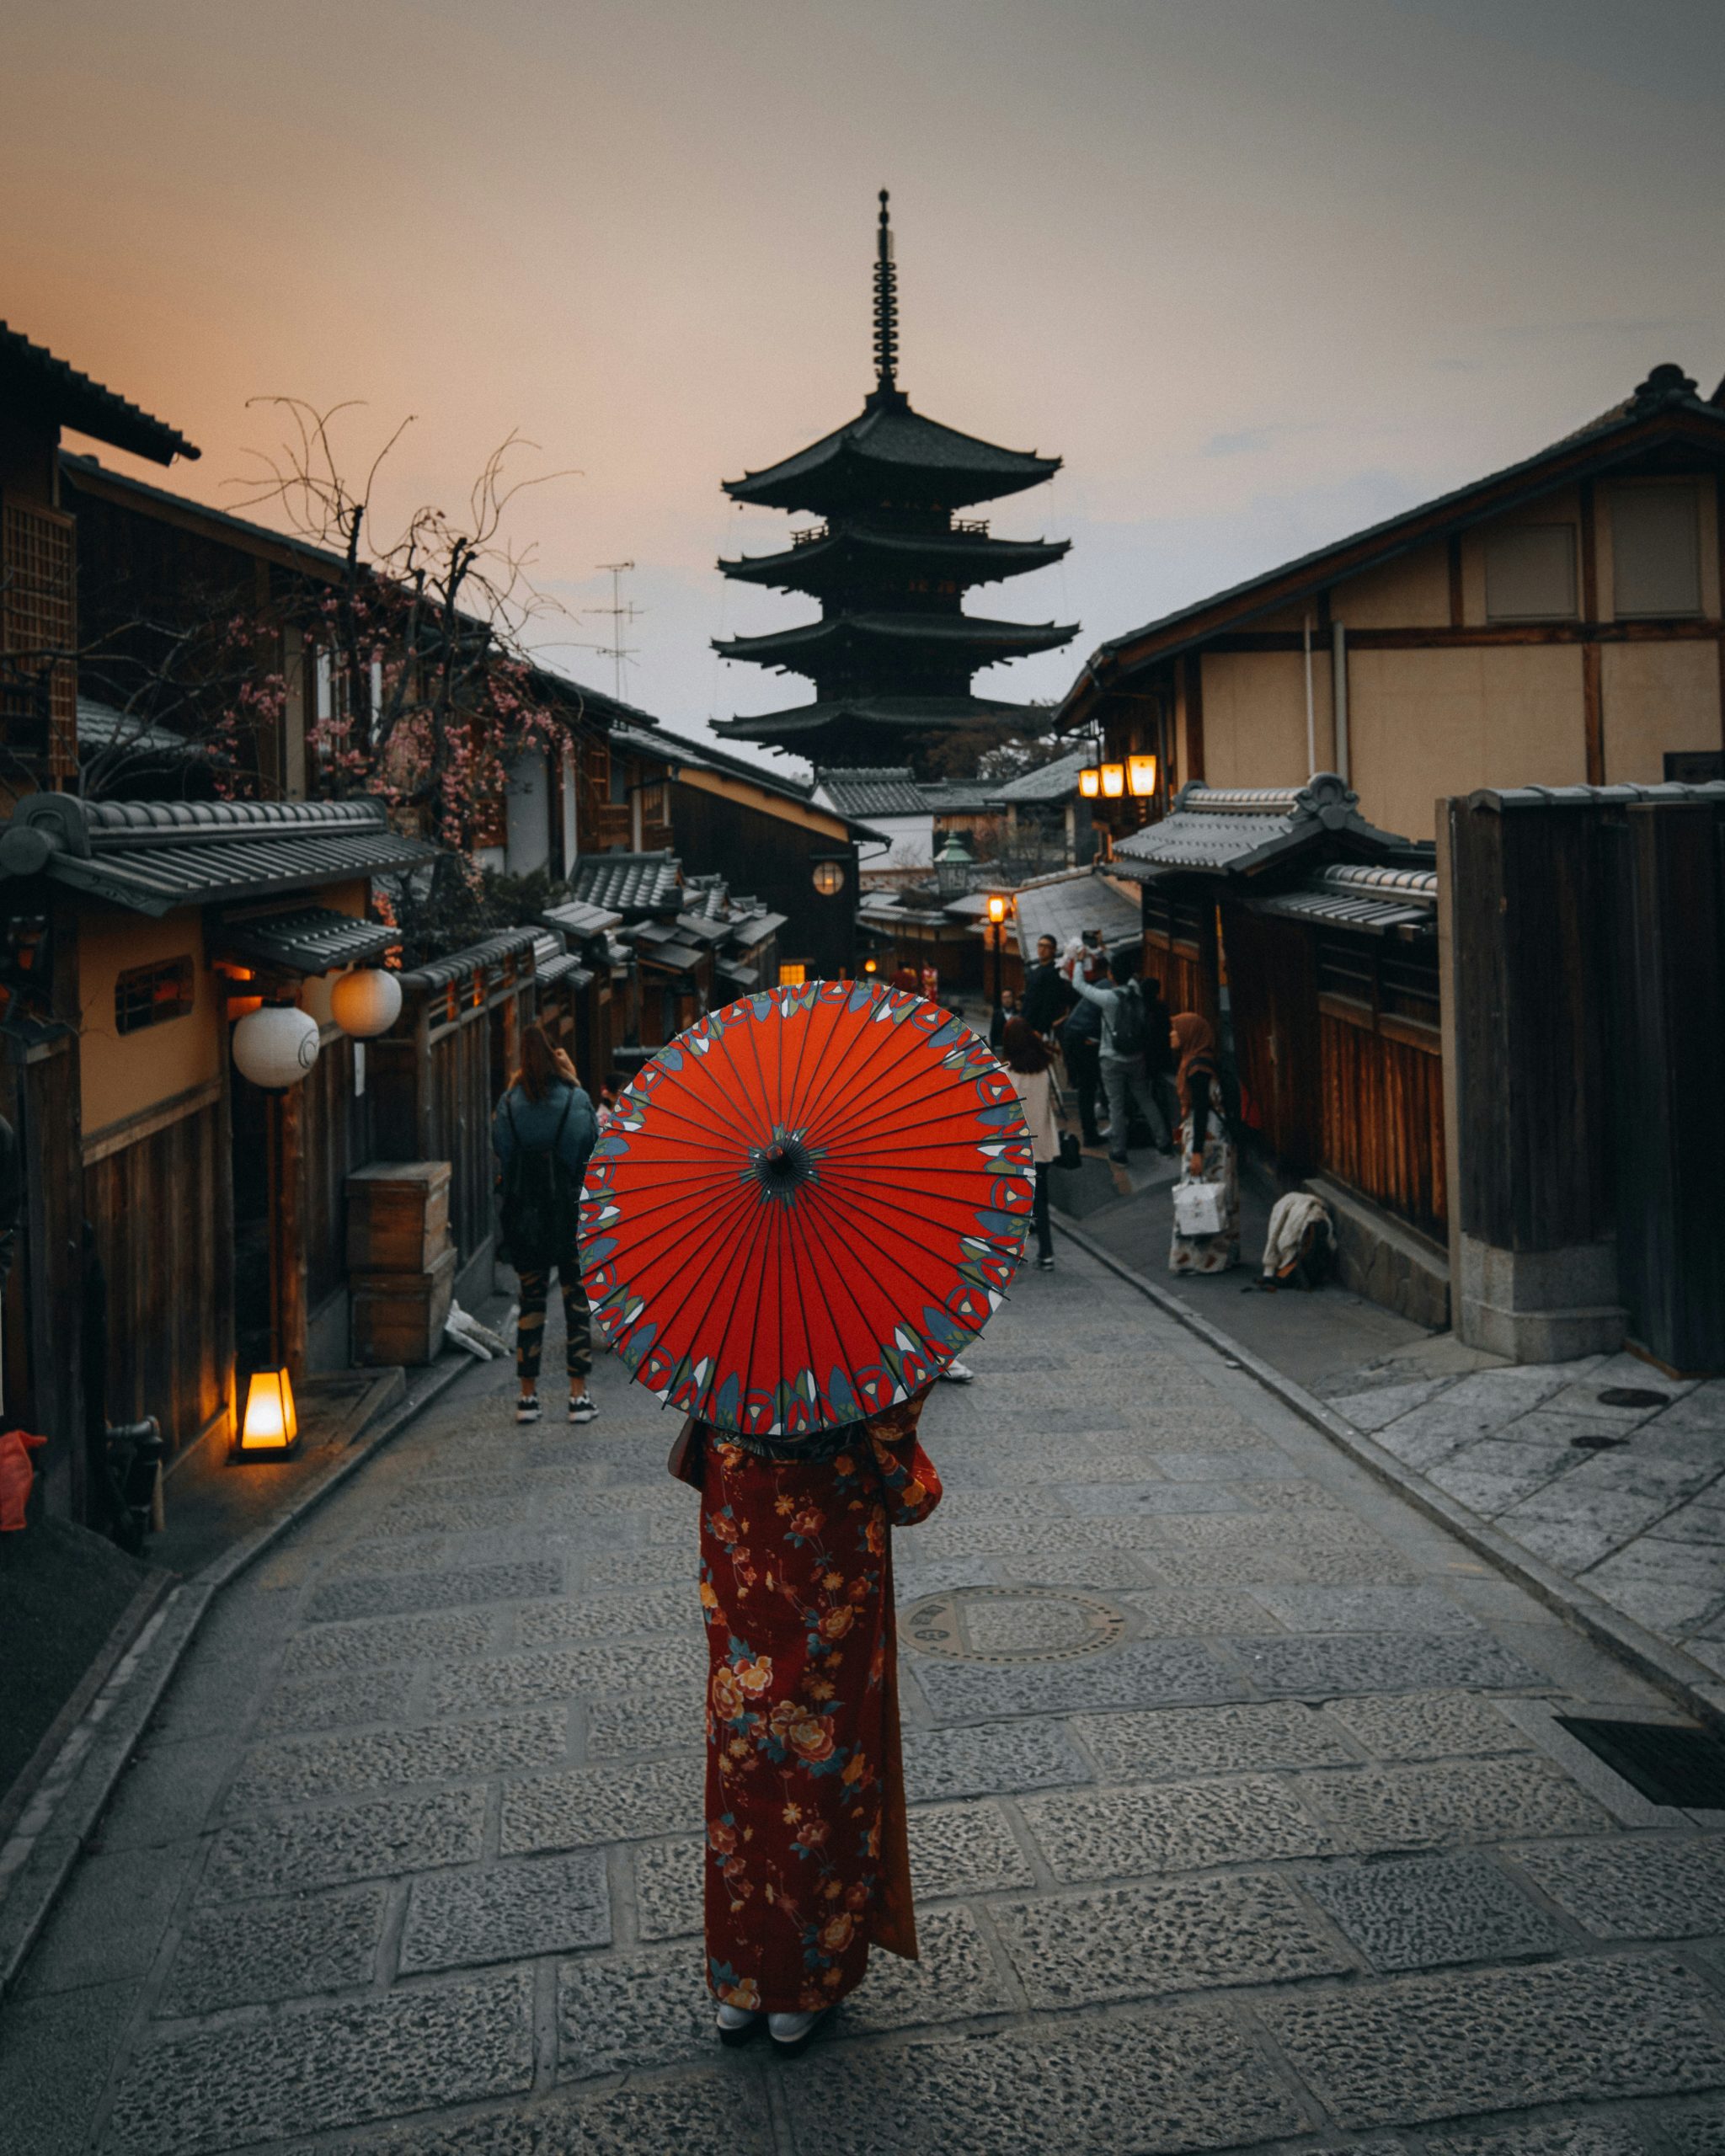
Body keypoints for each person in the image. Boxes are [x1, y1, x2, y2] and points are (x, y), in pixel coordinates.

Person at [688, 1385, 943, 2056]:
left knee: (744, 1732)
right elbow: (895, 1432)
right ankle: (802, 1985)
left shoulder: (716, 1292)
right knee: (825, 1740)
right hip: (829, 1514)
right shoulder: (854, 1299)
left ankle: (741, 1982)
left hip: (739, 1503)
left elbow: (695, 1404)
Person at [491, 1023, 599, 1424]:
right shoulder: (574, 1098)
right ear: (557, 1056)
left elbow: (501, 1148)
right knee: (576, 1302)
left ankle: (527, 1397)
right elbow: (590, 1145)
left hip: (526, 1216)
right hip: (568, 1213)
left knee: (531, 1303)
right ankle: (578, 1396)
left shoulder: (509, 1103)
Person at [1064, 947, 1172, 1162]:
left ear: (1111, 975)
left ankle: (1119, 1151)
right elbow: (1126, 973)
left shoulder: (1108, 998)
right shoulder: (1137, 991)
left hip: (1111, 1058)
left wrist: (1078, 961)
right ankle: (1163, 1141)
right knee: (1145, 1099)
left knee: (1116, 1105)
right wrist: (1106, 950)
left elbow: (1079, 985)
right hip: (1137, 1056)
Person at [1168, 1011, 1240, 1274]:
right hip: (1216, 1137)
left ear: (1189, 1033)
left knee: (1198, 1195)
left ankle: (1198, 1258)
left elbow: (1200, 1109)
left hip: (1207, 1139)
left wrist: (1196, 1151)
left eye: (1176, 1030)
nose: (1171, 1035)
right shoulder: (1204, 1061)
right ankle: (1220, 1255)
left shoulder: (1197, 1067)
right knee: (1216, 1196)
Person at [999, 1017, 1059, 1271]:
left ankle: (1015, 1252)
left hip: (1015, 1147)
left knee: (1014, 1202)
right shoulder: (1045, 1070)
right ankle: (1047, 1254)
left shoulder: (1004, 1074)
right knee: (1041, 1201)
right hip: (1042, 1144)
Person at [1057, 952, 1106, 1147]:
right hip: (1082, 1042)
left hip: (1076, 1038)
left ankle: (1093, 1126)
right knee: (1088, 1087)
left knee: (1087, 1087)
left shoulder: (1100, 987)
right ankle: (1090, 1132)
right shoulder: (1108, 990)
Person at [1020, 934, 1071, 1038]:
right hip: (1027, 1021)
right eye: (1040, 945)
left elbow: (1049, 1002)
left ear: (1053, 950)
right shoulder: (1036, 971)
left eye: (1046, 947)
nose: (1042, 949)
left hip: (1039, 1026)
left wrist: (1040, 1029)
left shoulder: (1054, 972)